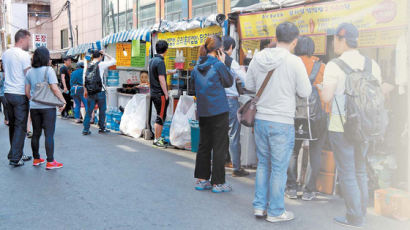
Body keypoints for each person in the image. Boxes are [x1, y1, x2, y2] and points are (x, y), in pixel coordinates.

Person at [246, 22, 311, 222]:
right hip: (282, 121)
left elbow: (249, 85)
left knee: (264, 164)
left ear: (276, 36)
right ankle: (275, 211)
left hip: (261, 120)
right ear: (295, 41)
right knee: (279, 168)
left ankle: (259, 207)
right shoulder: (295, 62)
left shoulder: (258, 58)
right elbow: (305, 92)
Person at [321, 23, 382, 228]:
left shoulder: (334, 65)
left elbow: (327, 97)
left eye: (335, 40)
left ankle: (354, 217)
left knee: (347, 172)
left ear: (342, 40)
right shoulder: (372, 64)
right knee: (360, 171)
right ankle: (361, 212)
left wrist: (323, 88)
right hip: (365, 126)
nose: (334, 44)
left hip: (341, 124)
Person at [285, 36, 329, 201]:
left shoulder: (290, 64)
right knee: (315, 152)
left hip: (294, 114)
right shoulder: (322, 66)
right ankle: (309, 190)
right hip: (317, 116)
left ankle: (291, 188)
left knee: (292, 150)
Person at [191, 35, 234, 193]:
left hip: (203, 110)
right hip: (219, 110)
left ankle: (202, 179)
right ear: (218, 50)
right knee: (219, 146)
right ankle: (218, 182)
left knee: (204, 145)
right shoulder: (218, 65)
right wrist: (223, 64)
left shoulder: (197, 67)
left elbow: (192, 87)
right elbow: (229, 82)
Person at [25, 47, 66, 170]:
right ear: (45, 57)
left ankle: (36, 158)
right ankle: (50, 161)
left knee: (36, 133)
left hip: (34, 107)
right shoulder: (49, 70)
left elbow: (27, 92)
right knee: (49, 134)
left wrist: (34, 100)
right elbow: (54, 88)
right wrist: (62, 101)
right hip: (47, 107)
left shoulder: (29, 72)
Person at [1, 29, 34, 167]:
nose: (30, 43)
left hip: (8, 94)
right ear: (23, 39)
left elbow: (4, 74)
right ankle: (15, 158)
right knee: (21, 127)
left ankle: (16, 153)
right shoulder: (23, 55)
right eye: (29, 40)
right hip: (20, 94)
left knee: (13, 126)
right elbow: (28, 76)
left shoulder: (6, 53)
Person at [222, 36, 249, 177]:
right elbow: (246, 79)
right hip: (231, 101)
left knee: (220, 133)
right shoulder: (231, 62)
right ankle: (237, 168)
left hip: (217, 101)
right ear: (231, 47)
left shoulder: (214, 60)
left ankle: (223, 161)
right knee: (233, 134)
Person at [82, 50, 116, 135]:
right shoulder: (101, 64)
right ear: (100, 56)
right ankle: (101, 128)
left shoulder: (88, 64)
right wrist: (105, 53)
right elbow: (114, 61)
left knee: (89, 111)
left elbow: (84, 79)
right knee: (102, 110)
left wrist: (85, 90)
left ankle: (85, 129)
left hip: (90, 92)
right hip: (100, 92)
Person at [149, 40, 170, 148]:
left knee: (159, 114)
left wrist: (171, 71)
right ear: (166, 50)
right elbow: (161, 79)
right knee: (160, 116)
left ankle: (158, 137)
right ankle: (157, 139)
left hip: (153, 92)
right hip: (159, 93)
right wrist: (166, 93)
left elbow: (159, 74)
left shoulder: (152, 60)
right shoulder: (160, 62)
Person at [0, 60, 8, 124]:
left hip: (4, 93)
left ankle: (6, 120)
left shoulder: (6, 73)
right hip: (1, 93)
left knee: (6, 107)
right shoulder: (2, 74)